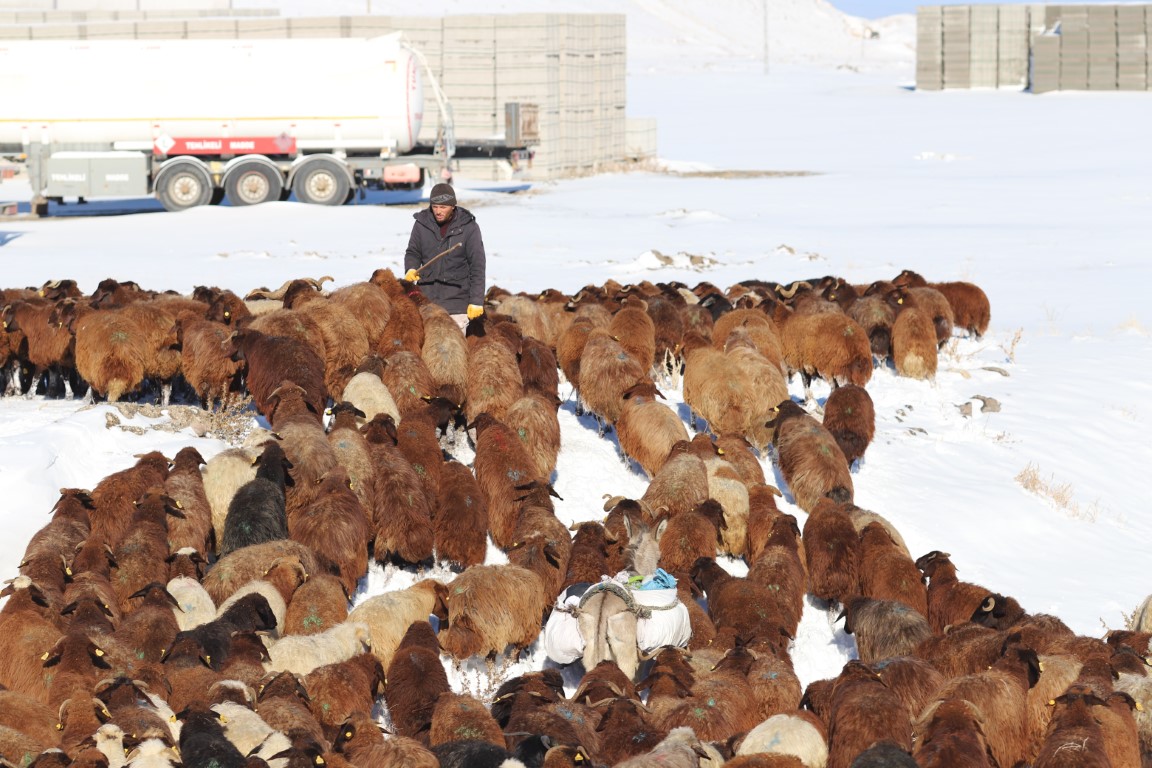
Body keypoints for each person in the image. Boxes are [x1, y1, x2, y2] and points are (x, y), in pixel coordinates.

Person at [403, 182, 486, 330]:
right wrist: (411, 267)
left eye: (443, 207)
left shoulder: (469, 227)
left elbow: (477, 266)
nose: (438, 211)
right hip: (426, 303)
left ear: (453, 206)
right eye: (435, 206)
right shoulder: (421, 224)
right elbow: (413, 252)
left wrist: (476, 301)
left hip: (456, 306)